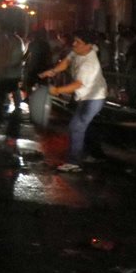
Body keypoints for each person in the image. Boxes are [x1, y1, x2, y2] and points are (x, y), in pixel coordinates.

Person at [39, 29, 108, 173]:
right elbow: (66, 61)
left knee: (76, 126)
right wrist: (53, 71)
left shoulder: (89, 64)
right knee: (86, 126)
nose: (74, 44)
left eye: (78, 42)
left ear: (88, 46)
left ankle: (73, 162)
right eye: (74, 40)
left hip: (93, 97)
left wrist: (56, 91)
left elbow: (78, 84)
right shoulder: (78, 50)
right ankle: (96, 155)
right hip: (86, 95)